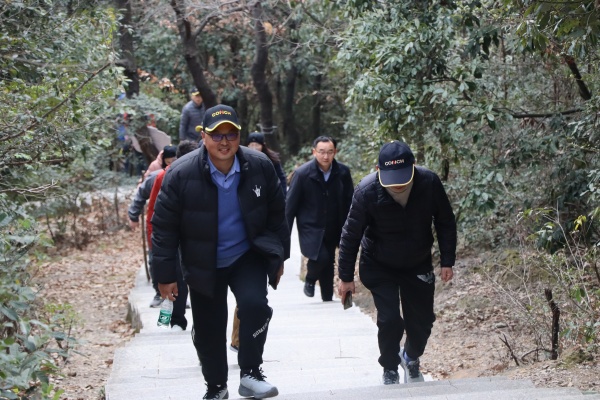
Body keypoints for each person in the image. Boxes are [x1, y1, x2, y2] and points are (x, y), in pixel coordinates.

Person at [151, 104, 290, 400]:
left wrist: (279, 257)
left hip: (247, 255)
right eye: (216, 135)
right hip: (203, 261)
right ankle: (216, 386)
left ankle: (251, 373)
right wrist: (164, 275)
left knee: (255, 306)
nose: (224, 142)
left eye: (231, 134)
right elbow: (163, 227)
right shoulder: (181, 173)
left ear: (239, 135)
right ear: (203, 136)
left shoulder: (259, 165)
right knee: (208, 328)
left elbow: (278, 213)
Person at [337, 140, 457, 385]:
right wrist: (345, 277)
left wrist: (447, 260)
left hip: (417, 261)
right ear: (379, 170)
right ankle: (390, 367)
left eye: (403, 176)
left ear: (413, 166)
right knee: (389, 319)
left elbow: (445, 221)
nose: (399, 184)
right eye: (392, 178)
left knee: (423, 321)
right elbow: (350, 235)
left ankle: (410, 357)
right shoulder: (366, 191)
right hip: (379, 263)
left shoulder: (428, 182)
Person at [286, 136, 353, 301]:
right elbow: (290, 206)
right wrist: (283, 236)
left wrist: (351, 226)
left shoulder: (342, 172)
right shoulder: (302, 174)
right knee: (321, 257)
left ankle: (327, 297)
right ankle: (310, 279)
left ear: (335, 152)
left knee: (329, 260)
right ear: (314, 152)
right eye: (321, 152)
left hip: (333, 223)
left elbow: (350, 201)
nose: (326, 156)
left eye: (330, 152)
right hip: (310, 226)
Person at [145, 140, 197, 331]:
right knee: (175, 278)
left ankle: (181, 319)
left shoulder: (204, 175)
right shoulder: (163, 176)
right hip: (171, 236)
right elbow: (153, 210)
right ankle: (174, 319)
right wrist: (152, 239)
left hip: (195, 236)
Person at [128, 144, 177, 308]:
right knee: (156, 260)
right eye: (169, 160)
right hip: (157, 226)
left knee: (179, 262)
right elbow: (140, 195)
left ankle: (178, 297)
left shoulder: (183, 175)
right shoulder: (156, 176)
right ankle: (160, 294)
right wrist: (133, 215)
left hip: (178, 227)